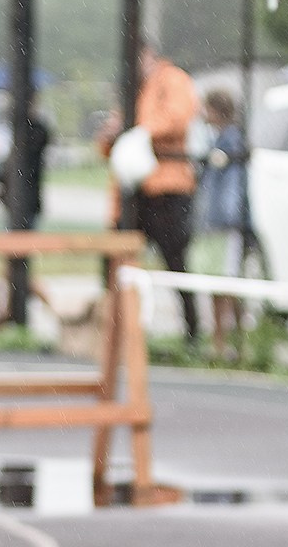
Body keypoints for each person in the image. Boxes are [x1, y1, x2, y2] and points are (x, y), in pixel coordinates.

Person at [98, 40, 202, 343]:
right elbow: (115, 139)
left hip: (168, 190)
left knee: (176, 262)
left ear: (149, 55)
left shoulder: (172, 79)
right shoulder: (133, 90)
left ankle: (192, 333)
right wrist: (113, 135)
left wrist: (141, 131)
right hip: (133, 195)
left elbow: (178, 117)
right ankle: (117, 333)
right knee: (116, 258)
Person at [195, 87, 250, 358]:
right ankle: (225, 341)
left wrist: (229, 219)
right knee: (219, 282)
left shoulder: (231, 141)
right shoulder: (216, 140)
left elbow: (232, 191)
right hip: (216, 223)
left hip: (226, 224)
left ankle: (229, 342)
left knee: (227, 283)